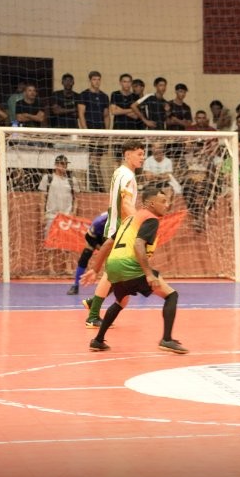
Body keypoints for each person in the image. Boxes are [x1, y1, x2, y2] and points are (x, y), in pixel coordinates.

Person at [83, 185, 187, 354]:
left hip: (113, 266)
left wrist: (95, 269)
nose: (166, 205)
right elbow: (139, 244)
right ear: (151, 203)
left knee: (121, 301)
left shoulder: (129, 220)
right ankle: (167, 340)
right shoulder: (151, 219)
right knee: (171, 295)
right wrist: (148, 274)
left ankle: (98, 340)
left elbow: (107, 244)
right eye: (162, 201)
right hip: (129, 265)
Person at [84, 140, 145, 328]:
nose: (143, 158)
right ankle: (93, 315)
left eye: (143, 154)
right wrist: (139, 222)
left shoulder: (119, 172)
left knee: (119, 273)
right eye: (139, 154)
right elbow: (125, 203)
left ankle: (93, 303)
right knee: (113, 273)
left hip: (116, 226)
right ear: (127, 154)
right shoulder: (127, 175)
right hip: (121, 229)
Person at [69, 212, 109, 295]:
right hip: (96, 238)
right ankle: (75, 285)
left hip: (111, 239)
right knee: (85, 256)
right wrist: (100, 248)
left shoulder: (121, 223)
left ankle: (114, 285)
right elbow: (88, 237)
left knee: (115, 260)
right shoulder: (98, 222)